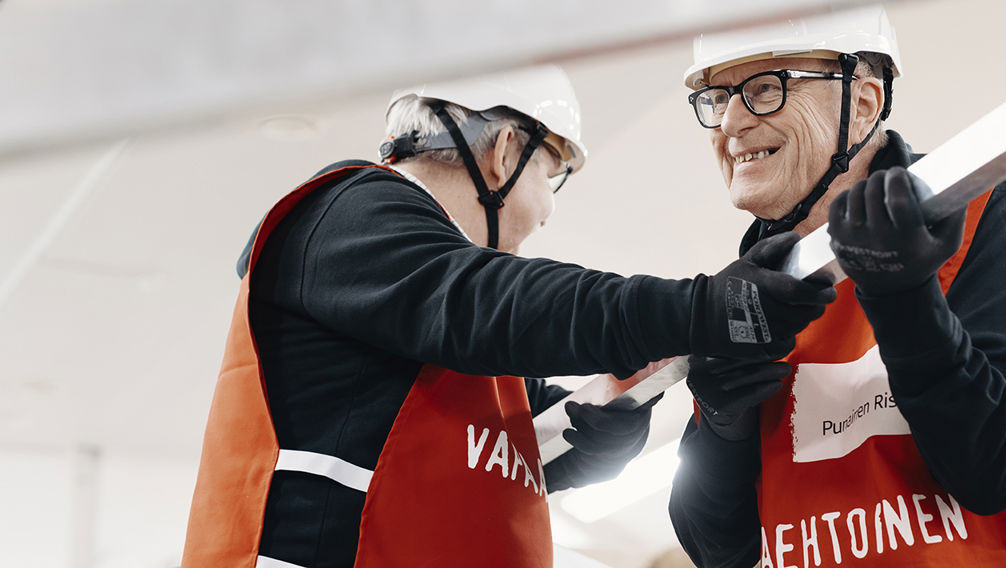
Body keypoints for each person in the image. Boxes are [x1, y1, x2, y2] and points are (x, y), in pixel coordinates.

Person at [182, 66, 835, 568]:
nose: (547, 212)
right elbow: (499, 305)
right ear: (502, 154)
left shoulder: (440, 333)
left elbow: (515, 456)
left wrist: (609, 425)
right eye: (551, 176)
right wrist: (699, 308)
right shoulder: (350, 219)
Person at [667, 8, 1006, 567]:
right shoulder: (748, 297)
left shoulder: (985, 220)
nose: (730, 123)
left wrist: (905, 300)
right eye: (716, 98)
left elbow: (997, 471)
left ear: (862, 104)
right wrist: (721, 423)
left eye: (765, 88)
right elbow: (720, 551)